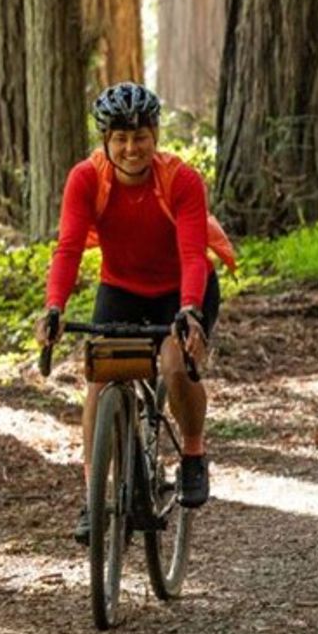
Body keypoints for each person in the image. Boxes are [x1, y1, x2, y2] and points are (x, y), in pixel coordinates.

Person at [34, 82, 237, 544]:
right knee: (99, 380)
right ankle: (93, 496)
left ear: (155, 135)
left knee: (172, 364)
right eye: (120, 138)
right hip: (121, 289)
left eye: (140, 136)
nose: (131, 148)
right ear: (106, 139)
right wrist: (54, 307)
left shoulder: (181, 180)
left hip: (182, 291)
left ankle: (191, 453)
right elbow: (67, 249)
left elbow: (191, 255)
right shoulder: (86, 179)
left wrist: (188, 311)